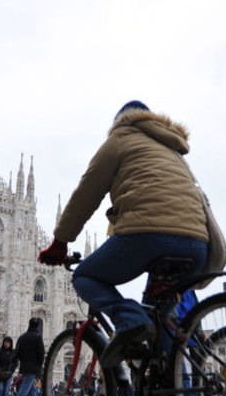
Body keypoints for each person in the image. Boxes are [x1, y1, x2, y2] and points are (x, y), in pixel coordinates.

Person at [38, 100, 208, 368]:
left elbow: (87, 193)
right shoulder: (173, 150)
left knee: (85, 275)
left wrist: (60, 242)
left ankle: (130, 320)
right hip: (197, 246)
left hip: (149, 235)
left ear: (120, 121)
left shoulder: (120, 139)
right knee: (160, 315)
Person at [9, 318, 44, 396]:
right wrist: (39, 365)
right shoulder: (37, 337)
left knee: (31, 388)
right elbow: (41, 353)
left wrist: (22, 361)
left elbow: (17, 352)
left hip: (24, 365)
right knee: (25, 388)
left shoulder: (22, 337)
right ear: (37, 326)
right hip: (33, 366)